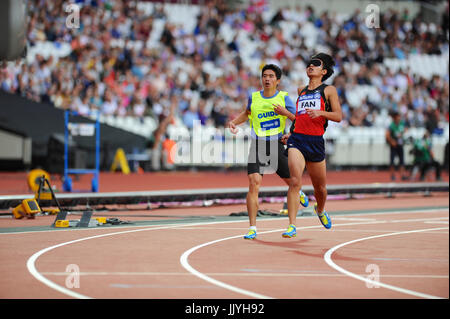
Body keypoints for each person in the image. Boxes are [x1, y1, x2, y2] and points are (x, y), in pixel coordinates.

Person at [227, 64, 309, 240]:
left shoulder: (284, 98)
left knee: (292, 182)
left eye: (271, 76)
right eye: (265, 76)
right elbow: (247, 113)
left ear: (277, 80)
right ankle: (252, 228)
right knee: (253, 183)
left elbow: (299, 120)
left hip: (276, 144)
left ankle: (299, 194)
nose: (267, 79)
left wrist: (284, 112)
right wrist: (234, 122)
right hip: (257, 144)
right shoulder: (254, 97)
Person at [276, 53, 342, 238]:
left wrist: (321, 113)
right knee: (295, 181)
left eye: (316, 64)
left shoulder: (329, 91)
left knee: (320, 189)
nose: (310, 66)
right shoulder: (300, 91)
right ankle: (292, 225)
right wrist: (291, 132)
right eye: (309, 64)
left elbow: (338, 116)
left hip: (316, 142)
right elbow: (300, 117)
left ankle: (320, 210)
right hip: (297, 139)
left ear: (324, 71)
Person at [385, 111, 408, 181]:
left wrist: (403, 133)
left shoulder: (401, 124)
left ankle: (402, 175)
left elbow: (405, 129)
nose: (399, 118)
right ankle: (392, 175)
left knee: (402, 161)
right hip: (394, 146)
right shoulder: (391, 125)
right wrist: (392, 141)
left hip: (400, 145)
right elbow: (387, 135)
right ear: (394, 118)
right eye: (398, 117)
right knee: (392, 161)